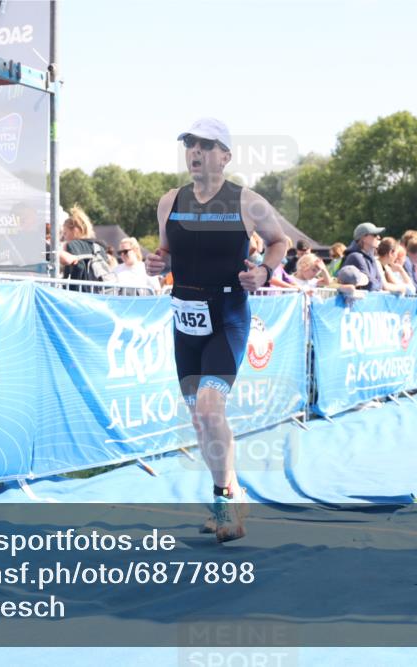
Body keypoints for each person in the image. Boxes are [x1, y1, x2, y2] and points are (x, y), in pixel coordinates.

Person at [145, 118, 288, 543]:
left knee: (210, 409)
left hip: (227, 314)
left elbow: (279, 242)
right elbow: (168, 254)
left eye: (206, 146)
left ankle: (226, 499)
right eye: (190, 144)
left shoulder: (248, 202)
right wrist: (159, 264)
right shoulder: (169, 201)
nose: (195, 152)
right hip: (185, 315)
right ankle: (230, 491)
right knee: (198, 418)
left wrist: (263, 271)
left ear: (225, 156)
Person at [341, 222, 385, 290]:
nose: (378, 237)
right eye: (374, 235)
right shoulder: (355, 256)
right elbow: (370, 285)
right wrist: (377, 284)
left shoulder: (371, 257)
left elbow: (380, 282)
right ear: (364, 238)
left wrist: (377, 284)